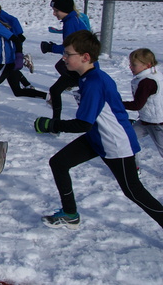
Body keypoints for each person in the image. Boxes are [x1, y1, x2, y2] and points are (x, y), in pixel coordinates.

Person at [34, 30, 163, 230]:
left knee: (133, 191)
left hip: (115, 142)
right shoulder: (87, 76)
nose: (64, 57)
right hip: (97, 137)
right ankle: (70, 214)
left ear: (85, 57)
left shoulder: (95, 82)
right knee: (59, 163)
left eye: (69, 54)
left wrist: (51, 124)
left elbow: (82, 124)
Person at [0, 1, 46, 128]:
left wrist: (18, 55)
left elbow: (16, 39)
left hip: (5, 64)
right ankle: (48, 97)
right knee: (17, 91)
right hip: (4, 62)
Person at [40, 0, 90, 120]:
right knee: (60, 67)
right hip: (83, 64)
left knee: (55, 91)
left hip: (84, 67)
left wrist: (50, 48)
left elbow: (68, 48)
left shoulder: (71, 23)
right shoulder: (73, 19)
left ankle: (56, 124)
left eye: (56, 11)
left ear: (65, 9)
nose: (54, 13)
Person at [123, 48, 163, 160]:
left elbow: (137, 105)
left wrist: (116, 103)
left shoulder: (147, 82)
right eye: (130, 64)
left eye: (134, 65)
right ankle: (133, 168)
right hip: (146, 121)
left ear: (147, 65)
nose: (130, 67)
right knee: (127, 138)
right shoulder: (154, 74)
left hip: (158, 124)